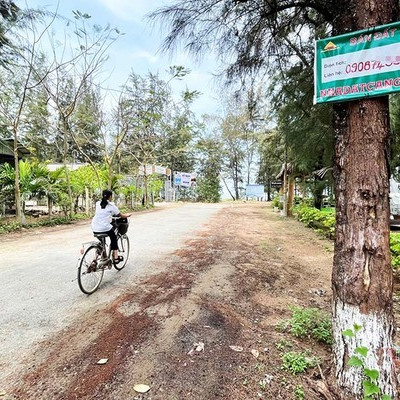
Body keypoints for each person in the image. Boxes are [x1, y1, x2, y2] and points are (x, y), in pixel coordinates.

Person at [91, 189, 132, 263]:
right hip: (104, 227)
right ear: (110, 197)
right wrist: (127, 215)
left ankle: (95, 259)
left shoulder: (97, 203)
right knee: (113, 238)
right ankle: (116, 257)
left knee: (101, 242)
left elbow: (102, 214)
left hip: (94, 227)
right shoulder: (111, 205)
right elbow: (120, 215)